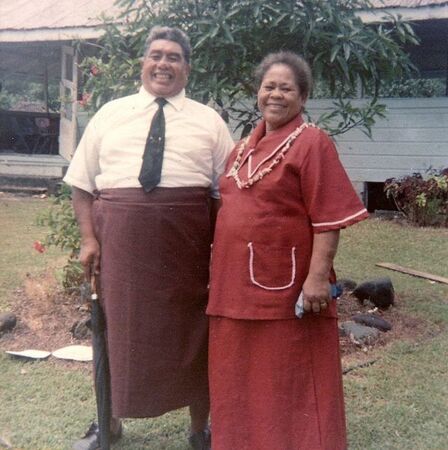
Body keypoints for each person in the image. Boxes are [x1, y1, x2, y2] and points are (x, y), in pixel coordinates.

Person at [64, 26, 234, 450]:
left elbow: (226, 192)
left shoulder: (208, 121)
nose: (163, 63)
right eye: (156, 55)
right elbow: (82, 185)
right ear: (142, 63)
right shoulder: (110, 113)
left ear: (187, 69)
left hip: (187, 247)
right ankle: (110, 425)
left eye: (174, 57)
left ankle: (200, 431)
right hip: (119, 244)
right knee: (115, 333)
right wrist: (89, 240)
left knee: (195, 333)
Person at [206, 51, 369, 450]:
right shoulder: (242, 147)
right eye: (269, 86)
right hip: (232, 287)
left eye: (287, 88)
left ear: (303, 96)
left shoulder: (313, 142)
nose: (275, 94)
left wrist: (316, 278)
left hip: (285, 285)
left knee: (286, 373)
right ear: (257, 92)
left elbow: (329, 218)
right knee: (239, 373)